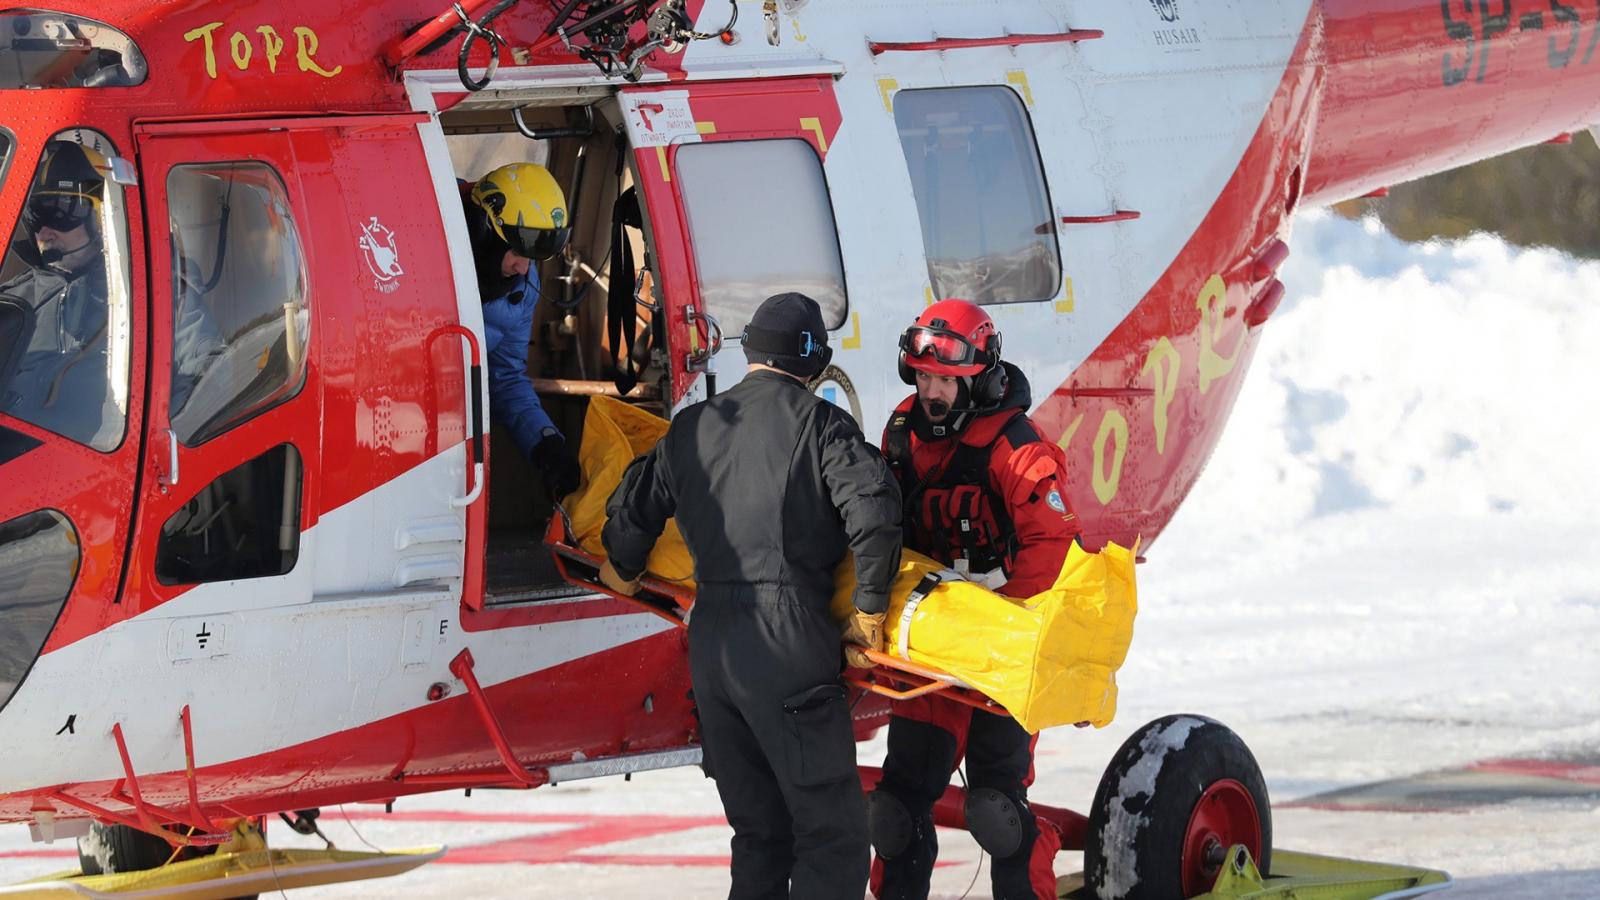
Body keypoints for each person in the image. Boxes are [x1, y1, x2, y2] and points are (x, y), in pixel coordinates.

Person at [599, 292, 902, 900]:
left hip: (712, 646)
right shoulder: (820, 424)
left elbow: (635, 506)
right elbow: (874, 511)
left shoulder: (693, 425)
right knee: (832, 836)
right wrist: (869, 609)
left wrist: (623, 567)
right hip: (787, 641)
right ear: (812, 357)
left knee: (760, 834)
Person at [868, 299, 1082, 900]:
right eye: (925, 376)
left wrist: (1006, 631)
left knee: (997, 810)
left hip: (1002, 647)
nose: (931, 391)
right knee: (895, 809)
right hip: (930, 642)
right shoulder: (902, 433)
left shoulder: (1018, 448)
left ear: (979, 377)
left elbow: (1055, 545)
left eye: (945, 380)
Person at [463, 162, 582, 499]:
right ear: (487, 233)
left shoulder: (523, 288)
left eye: (534, 258)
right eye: (517, 252)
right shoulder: (418, 253)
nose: (524, 268)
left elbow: (507, 379)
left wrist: (545, 444)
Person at [0, 141, 120, 446]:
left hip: (100, 453)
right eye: (37, 215)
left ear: (101, 218)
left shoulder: (140, 291)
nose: (45, 231)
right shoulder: (18, 296)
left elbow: (196, 354)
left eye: (63, 211)